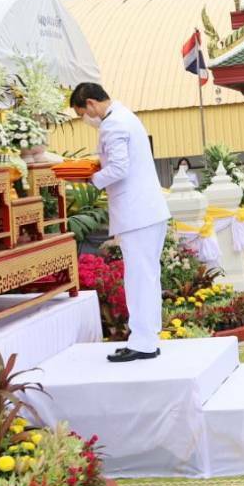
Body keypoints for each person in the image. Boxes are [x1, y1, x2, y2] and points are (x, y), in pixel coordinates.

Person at [72, 83, 172, 363]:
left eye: (82, 114)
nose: (85, 120)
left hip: (137, 214)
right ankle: (147, 338)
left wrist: (91, 179)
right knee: (147, 277)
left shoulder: (113, 124)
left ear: (91, 104)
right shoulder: (125, 116)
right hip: (147, 212)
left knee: (140, 278)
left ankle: (142, 343)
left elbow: (118, 167)